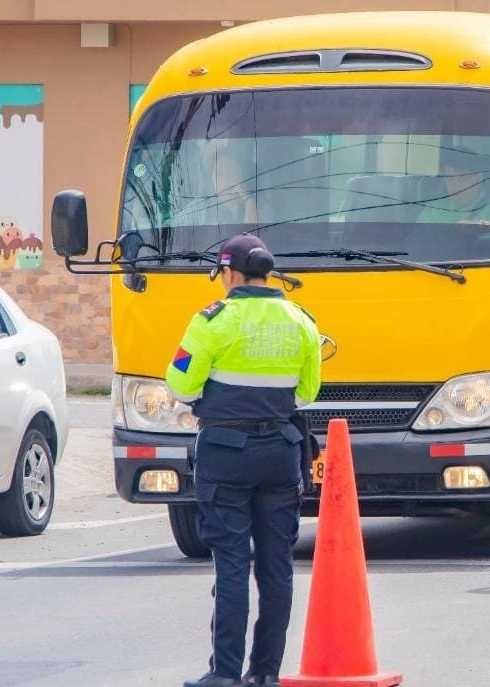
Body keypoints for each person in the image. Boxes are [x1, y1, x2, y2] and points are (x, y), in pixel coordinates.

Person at [167, 234, 321, 687]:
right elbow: (307, 393)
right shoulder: (301, 321)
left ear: (230, 273)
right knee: (277, 566)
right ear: (267, 274)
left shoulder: (212, 321)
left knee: (232, 564)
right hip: (281, 453)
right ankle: (266, 673)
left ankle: (226, 673)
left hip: (225, 454)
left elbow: (180, 385)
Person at [418, 146, 490, 226]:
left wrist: (476, 226)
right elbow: (420, 235)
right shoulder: (435, 208)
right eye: (450, 179)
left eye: (463, 178)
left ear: (479, 177)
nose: (456, 186)